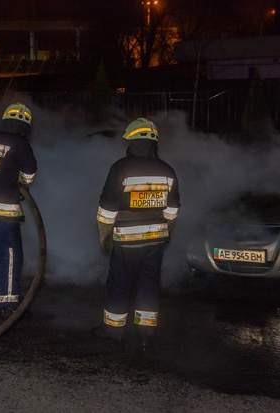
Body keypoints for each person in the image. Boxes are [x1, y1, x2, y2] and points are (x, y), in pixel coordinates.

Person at [95, 117, 180, 351]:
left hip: (126, 241)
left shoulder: (121, 168)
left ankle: (114, 332)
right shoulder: (167, 170)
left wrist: (104, 238)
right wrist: (167, 235)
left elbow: (107, 210)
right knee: (148, 285)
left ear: (131, 141)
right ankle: (146, 334)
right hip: (156, 240)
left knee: (119, 284)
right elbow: (172, 211)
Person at [0, 103, 37, 318]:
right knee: (12, 255)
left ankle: (0, 293)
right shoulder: (20, 143)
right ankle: (9, 304)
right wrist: (20, 186)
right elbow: (29, 173)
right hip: (6, 208)